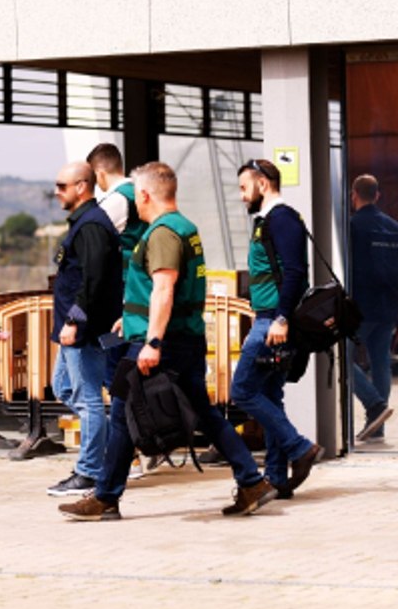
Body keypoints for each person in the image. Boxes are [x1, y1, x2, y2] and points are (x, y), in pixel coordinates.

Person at [58, 162, 277, 520]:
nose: (136, 206)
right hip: (179, 337)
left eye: (137, 199)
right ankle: (251, 480)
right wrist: (127, 318)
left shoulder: (162, 232)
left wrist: (152, 342)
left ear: (144, 195)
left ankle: (105, 497)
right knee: (202, 413)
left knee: (122, 413)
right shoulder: (185, 228)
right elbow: (155, 292)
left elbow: (164, 288)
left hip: (161, 342)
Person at [230, 158, 324, 498]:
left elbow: (296, 271)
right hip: (268, 318)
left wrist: (282, 318)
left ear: (263, 183)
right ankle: (276, 478)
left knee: (242, 391)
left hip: (274, 321)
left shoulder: (282, 219)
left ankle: (299, 448)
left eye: (244, 187)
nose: (242, 196)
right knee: (269, 395)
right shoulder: (268, 220)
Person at [45, 161, 123, 496]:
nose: (56, 191)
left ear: (82, 186)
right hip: (72, 327)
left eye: (62, 185)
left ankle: (91, 471)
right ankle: (106, 454)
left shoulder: (92, 225)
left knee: (87, 398)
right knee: (62, 387)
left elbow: (94, 279)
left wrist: (75, 320)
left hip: (83, 328)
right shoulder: (84, 223)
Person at [87, 142, 153, 477]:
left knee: (113, 377)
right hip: (136, 302)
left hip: (122, 305)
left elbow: (92, 245)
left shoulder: (115, 200)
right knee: (122, 378)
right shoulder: (137, 194)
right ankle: (134, 451)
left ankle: (127, 455)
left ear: (100, 172)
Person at [347, 174, 398, 443]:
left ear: (354, 195)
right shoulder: (396, 229)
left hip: (360, 306)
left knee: (340, 360)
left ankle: (375, 405)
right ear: (378, 195)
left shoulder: (352, 227)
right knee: (381, 362)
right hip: (388, 305)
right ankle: (377, 426)